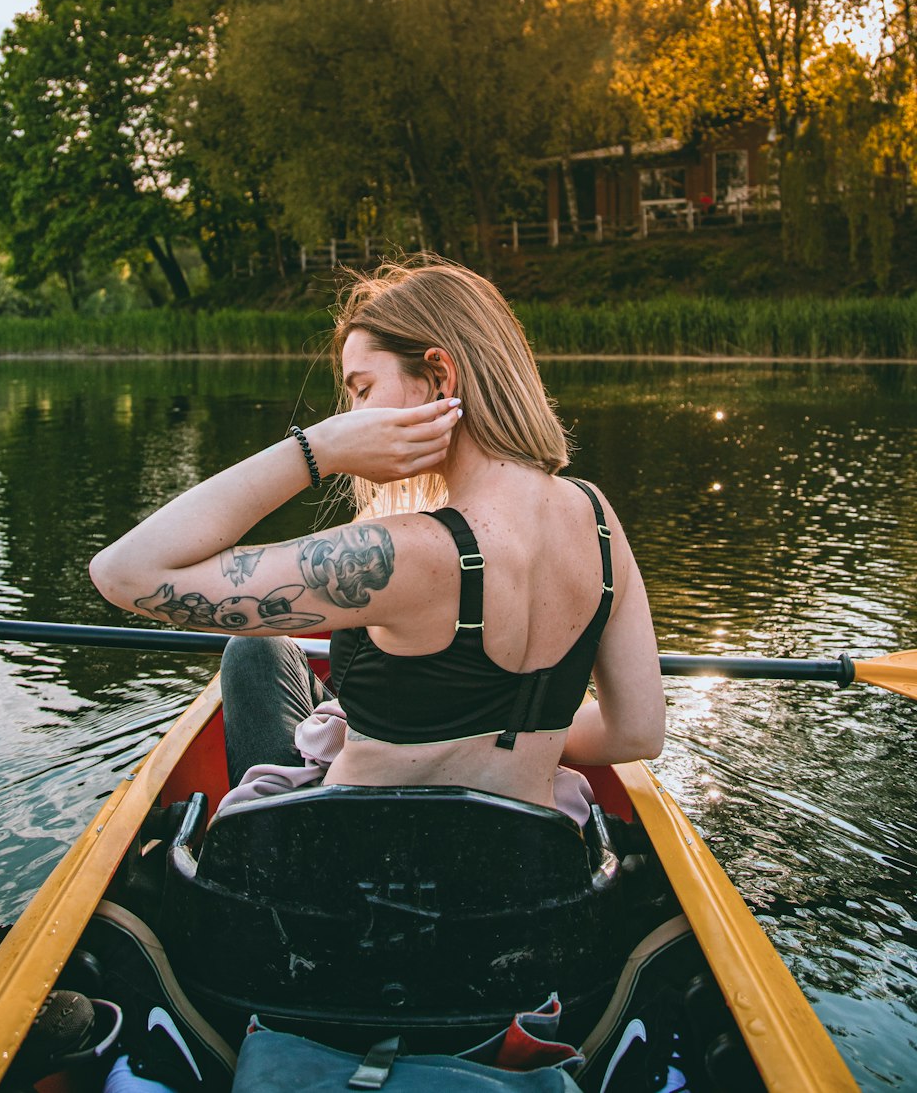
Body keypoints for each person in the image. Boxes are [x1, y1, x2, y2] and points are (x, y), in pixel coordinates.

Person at [89, 261, 664, 817]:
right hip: (521, 866)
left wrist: (318, 449)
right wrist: (509, 742)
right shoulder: (597, 516)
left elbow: (123, 573)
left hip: (347, 867)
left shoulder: (406, 553)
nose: (352, 413)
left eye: (361, 390)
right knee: (259, 649)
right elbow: (636, 731)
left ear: (439, 376)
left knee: (251, 652)